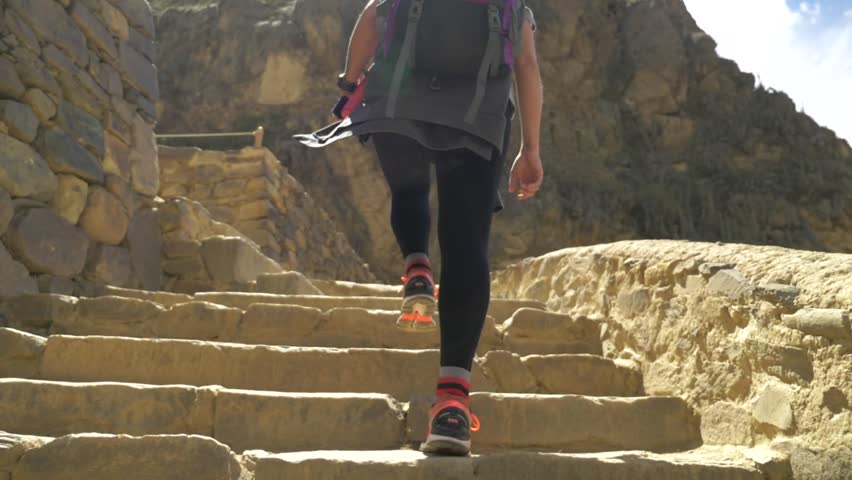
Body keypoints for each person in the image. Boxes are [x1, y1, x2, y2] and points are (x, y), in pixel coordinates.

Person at [300, 0, 543, 456]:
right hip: (479, 117)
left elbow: (373, 15)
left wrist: (350, 82)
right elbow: (526, 65)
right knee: (466, 240)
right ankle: (451, 407)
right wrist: (530, 149)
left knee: (408, 188)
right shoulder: (513, 7)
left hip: (398, 100)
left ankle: (416, 269)